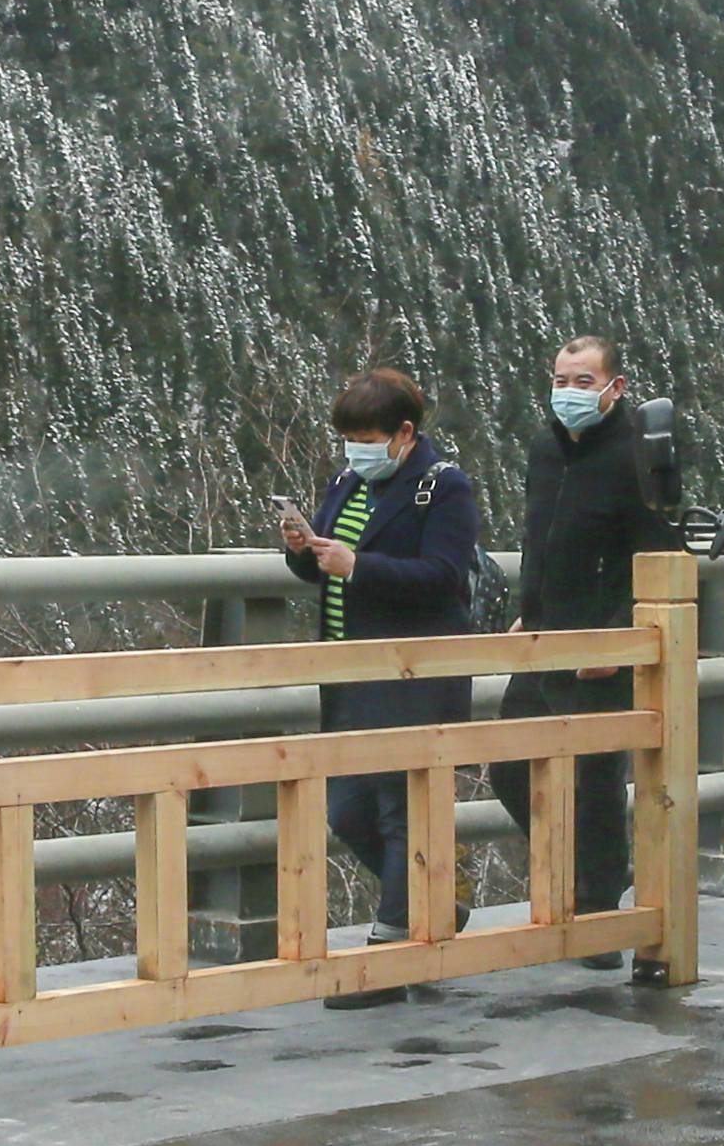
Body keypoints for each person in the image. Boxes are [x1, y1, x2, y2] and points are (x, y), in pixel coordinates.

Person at [278, 367, 480, 1007]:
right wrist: (303, 549)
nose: (354, 451)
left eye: (366, 437)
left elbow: (445, 577)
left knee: (401, 808)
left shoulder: (443, 489)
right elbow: (327, 571)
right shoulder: (347, 482)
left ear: (403, 433)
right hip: (348, 674)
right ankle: (435, 900)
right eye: (347, 438)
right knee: (348, 810)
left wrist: (358, 564)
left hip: (412, 673)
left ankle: (390, 955)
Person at [489, 335, 668, 970]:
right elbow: (539, 536)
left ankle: (598, 915)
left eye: (583, 382)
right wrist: (527, 607)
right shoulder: (543, 447)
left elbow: (657, 553)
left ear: (615, 388)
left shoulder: (635, 456)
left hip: (602, 644)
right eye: (561, 380)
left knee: (595, 782)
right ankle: (565, 875)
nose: (569, 392)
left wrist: (619, 636)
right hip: (544, 635)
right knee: (509, 765)